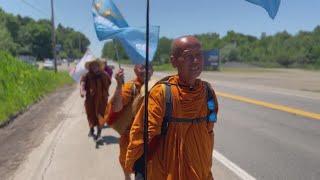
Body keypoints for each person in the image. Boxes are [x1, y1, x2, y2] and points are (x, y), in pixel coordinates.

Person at [125, 36, 219, 180]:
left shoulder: (208, 93)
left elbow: (209, 130)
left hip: (201, 171)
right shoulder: (162, 93)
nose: (195, 61)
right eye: (188, 56)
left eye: (199, 55)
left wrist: (206, 166)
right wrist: (137, 167)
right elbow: (143, 134)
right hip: (166, 172)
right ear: (173, 61)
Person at [107, 64, 153, 180]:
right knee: (126, 160)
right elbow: (117, 108)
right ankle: (127, 177)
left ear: (153, 71)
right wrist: (118, 85)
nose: (145, 71)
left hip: (150, 134)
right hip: (130, 135)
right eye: (141, 67)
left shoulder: (156, 87)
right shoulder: (130, 87)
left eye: (148, 67)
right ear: (135, 70)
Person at [80, 58, 111, 141]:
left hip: (102, 100)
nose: (94, 67)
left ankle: (99, 133)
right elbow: (82, 83)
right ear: (90, 67)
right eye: (92, 66)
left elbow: (108, 82)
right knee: (91, 115)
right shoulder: (87, 75)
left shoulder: (104, 74)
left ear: (99, 66)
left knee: (100, 115)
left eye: (96, 65)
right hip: (90, 100)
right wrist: (82, 91)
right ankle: (91, 129)